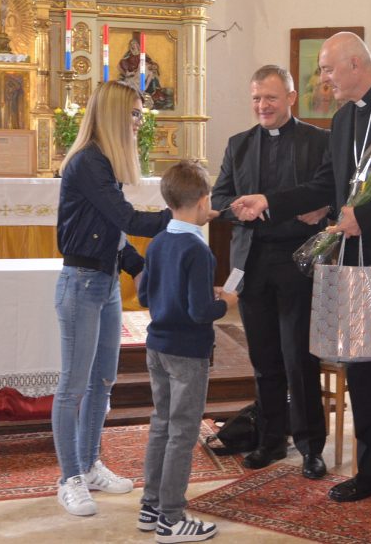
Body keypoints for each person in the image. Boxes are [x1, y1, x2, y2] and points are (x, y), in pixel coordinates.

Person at [231, 32, 371, 521]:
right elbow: (323, 186)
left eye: (329, 69)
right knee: (365, 377)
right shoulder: (341, 119)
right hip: (354, 266)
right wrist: (270, 201)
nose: (324, 78)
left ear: (356, 64)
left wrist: (365, 218)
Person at [53, 81, 171, 517]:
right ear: (115, 116)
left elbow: (114, 233)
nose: (140, 122)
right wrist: (180, 213)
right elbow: (126, 218)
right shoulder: (87, 163)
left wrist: (137, 268)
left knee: (102, 383)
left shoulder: (104, 164)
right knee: (72, 388)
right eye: (136, 114)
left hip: (103, 285)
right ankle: (69, 478)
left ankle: (89, 463)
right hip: (81, 284)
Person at [210, 64, 330, 478]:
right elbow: (220, 197)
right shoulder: (238, 144)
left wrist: (323, 206)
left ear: (291, 98)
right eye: (257, 98)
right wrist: (237, 208)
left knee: (300, 358)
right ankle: (271, 440)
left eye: (271, 98)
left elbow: (330, 190)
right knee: (263, 358)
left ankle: (312, 446)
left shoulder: (320, 141)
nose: (263, 105)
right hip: (254, 262)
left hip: (299, 263)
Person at [135, 159, 233, 543]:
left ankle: (150, 505)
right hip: (187, 353)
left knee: (161, 424)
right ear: (204, 200)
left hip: (156, 346)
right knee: (183, 432)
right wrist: (226, 302)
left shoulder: (158, 242)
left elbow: (145, 294)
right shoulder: (198, 251)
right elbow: (199, 313)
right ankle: (171, 518)